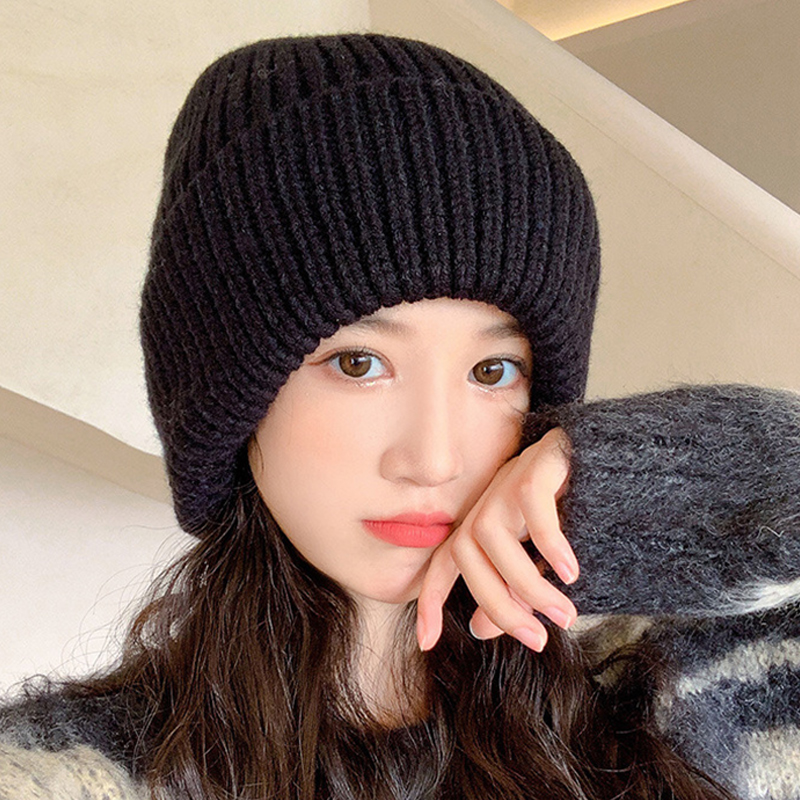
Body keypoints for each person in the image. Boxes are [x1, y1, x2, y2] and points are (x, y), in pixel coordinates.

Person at [2, 32, 800, 800]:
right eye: (359, 364)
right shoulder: (69, 771)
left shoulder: (689, 699)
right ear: (228, 395)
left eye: (492, 371)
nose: (433, 457)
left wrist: (633, 479)